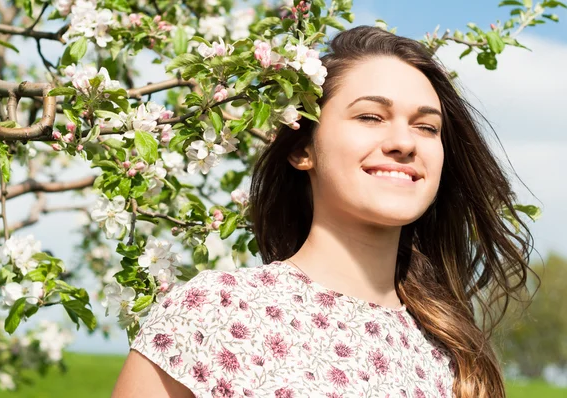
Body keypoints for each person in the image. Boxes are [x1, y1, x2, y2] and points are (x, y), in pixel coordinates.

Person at [112, 25, 533, 398]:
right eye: (371, 116)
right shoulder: (213, 311)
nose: (404, 142)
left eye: (426, 127)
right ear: (302, 148)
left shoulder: (454, 356)